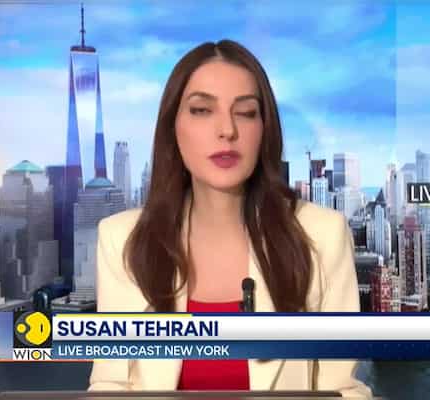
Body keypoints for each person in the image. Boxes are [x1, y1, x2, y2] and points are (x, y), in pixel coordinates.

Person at [88, 39, 372, 398]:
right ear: (172, 127)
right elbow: (110, 384)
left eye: (246, 112)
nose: (227, 130)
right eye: (202, 110)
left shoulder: (322, 235)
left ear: (264, 129)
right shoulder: (122, 239)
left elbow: (342, 389)